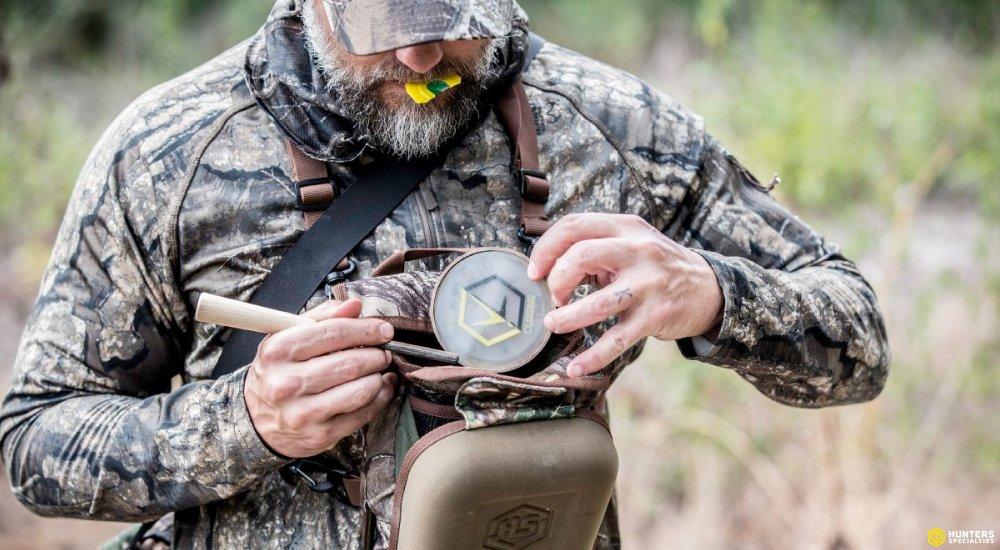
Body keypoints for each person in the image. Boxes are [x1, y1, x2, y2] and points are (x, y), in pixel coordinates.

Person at [0, 0, 890, 548]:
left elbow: (859, 343)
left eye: (450, 23)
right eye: (385, 28)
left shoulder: (614, 126)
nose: (423, 60)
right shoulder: (168, 154)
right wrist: (244, 421)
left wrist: (711, 294)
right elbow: (35, 448)